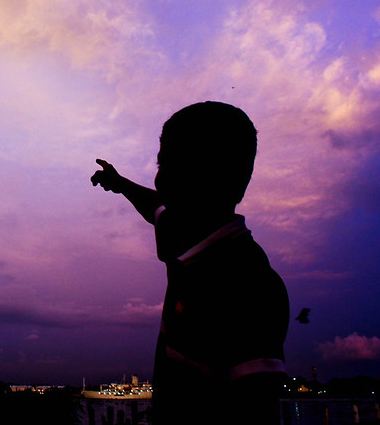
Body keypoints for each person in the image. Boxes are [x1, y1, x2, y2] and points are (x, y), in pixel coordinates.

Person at [91, 101, 289, 424]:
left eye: (170, 167)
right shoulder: (186, 239)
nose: (159, 182)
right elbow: (155, 208)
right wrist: (120, 184)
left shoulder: (252, 288)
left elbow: (256, 408)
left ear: (211, 177)